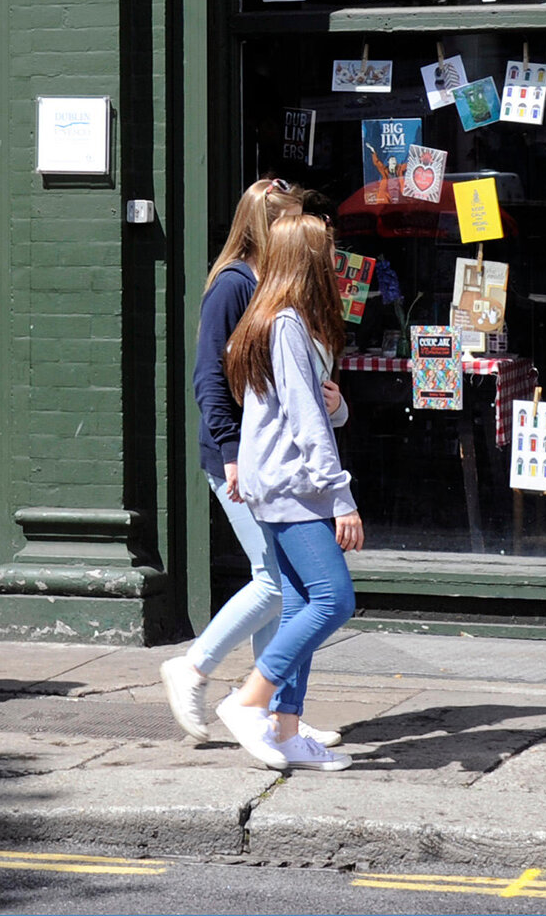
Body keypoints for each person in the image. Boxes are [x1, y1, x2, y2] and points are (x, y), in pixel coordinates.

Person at [161, 177, 347, 749]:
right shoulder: (234, 286)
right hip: (242, 460)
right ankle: (196, 669)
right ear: (266, 225)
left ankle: (270, 710)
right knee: (276, 579)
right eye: (287, 219)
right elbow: (209, 379)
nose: (296, 230)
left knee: (287, 585)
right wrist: (231, 452)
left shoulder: (274, 288)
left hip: (267, 459)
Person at [212, 208, 362, 772]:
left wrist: (340, 405)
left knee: (301, 601)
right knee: (333, 599)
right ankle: (249, 700)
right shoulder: (287, 324)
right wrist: (341, 497)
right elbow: (302, 420)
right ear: (308, 260)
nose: (335, 260)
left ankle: (287, 728)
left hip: (274, 483)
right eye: (327, 251)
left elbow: (311, 409)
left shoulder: (272, 318)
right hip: (292, 487)